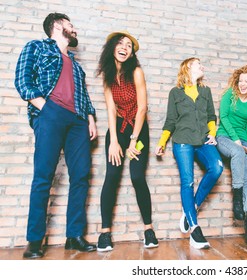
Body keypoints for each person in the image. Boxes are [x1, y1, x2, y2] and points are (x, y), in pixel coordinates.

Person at [14, 13, 97, 259]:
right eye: (71, 25)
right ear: (59, 25)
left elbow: (84, 95)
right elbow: (22, 79)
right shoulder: (36, 47)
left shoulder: (76, 64)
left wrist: (90, 117)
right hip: (50, 113)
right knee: (43, 177)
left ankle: (74, 236)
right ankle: (35, 240)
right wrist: (44, 106)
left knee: (81, 176)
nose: (75, 30)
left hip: (78, 121)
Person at [96, 31, 158, 251]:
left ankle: (149, 230)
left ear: (132, 53)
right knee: (111, 176)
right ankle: (105, 233)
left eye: (129, 46)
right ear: (112, 47)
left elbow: (142, 108)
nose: (124, 48)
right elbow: (111, 109)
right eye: (120, 44)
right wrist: (114, 140)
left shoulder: (137, 72)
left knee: (137, 176)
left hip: (138, 131)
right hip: (118, 130)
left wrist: (133, 141)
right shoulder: (108, 75)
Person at [155, 57, 223, 249]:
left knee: (216, 168)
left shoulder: (205, 91)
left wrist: (212, 133)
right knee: (188, 181)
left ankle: (190, 208)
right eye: (197, 64)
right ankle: (194, 229)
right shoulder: (175, 93)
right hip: (182, 141)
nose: (202, 66)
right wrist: (162, 142)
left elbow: (211, 116)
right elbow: (170, 120)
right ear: (187, 68)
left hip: (203, 140)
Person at [215, 64, 247, 246]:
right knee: (237, 152)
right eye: (240, 80)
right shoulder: (230, 95)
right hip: (225, 136)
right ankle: (237, 200)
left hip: (242, 141)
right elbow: (224, 117)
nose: (242, 84)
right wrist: (235, 140)